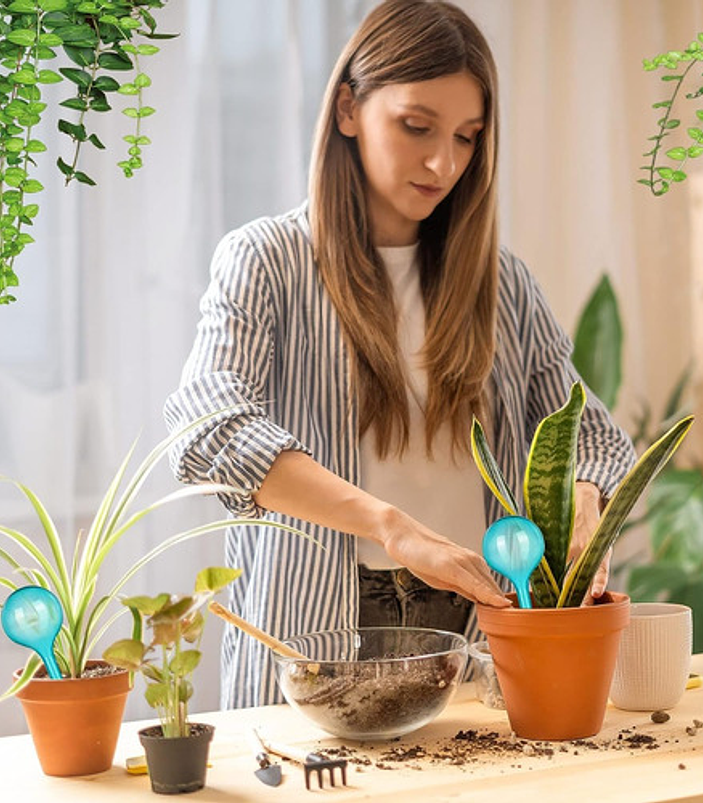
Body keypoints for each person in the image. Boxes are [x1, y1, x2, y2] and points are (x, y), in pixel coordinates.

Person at [164, 0, 636, 709]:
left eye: (467, 137)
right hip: (323, 616)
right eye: (416, 126)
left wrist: (580, 503)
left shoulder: (500, 282)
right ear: (349, 108)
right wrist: (393, 527)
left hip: (480, 618)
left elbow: (591, 435)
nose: (443, 161)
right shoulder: (267, 260)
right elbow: (209, 430)